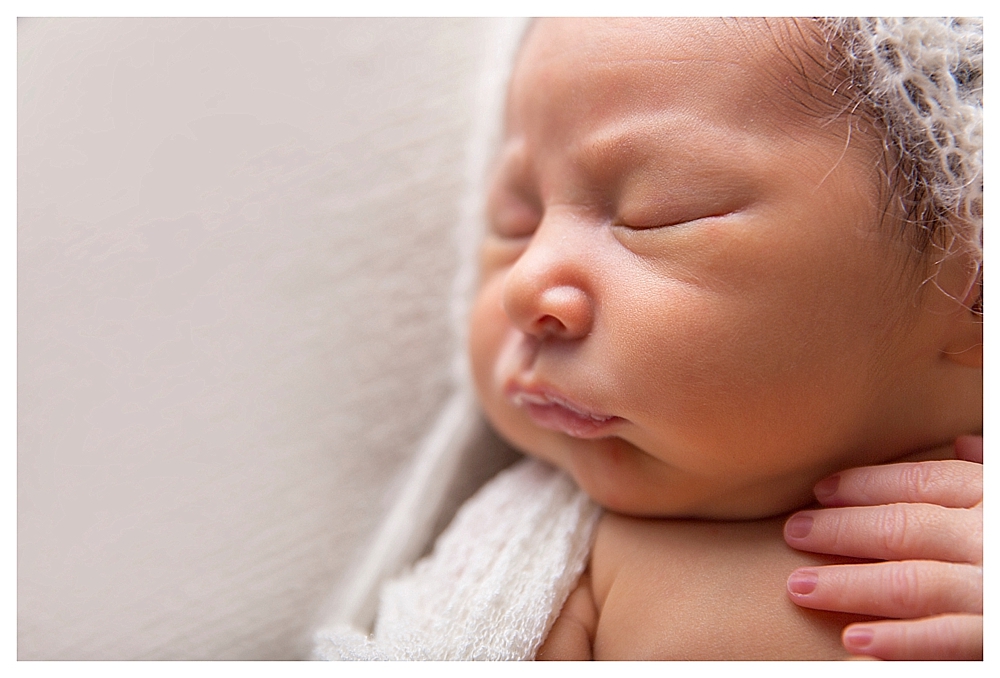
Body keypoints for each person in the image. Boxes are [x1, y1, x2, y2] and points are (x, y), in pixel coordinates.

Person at [468, 17, 982, 660]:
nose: (524, 286)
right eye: (515, 223)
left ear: (973, 294)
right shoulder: (549, 571)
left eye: (658, 213)